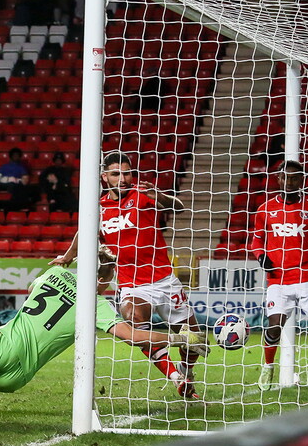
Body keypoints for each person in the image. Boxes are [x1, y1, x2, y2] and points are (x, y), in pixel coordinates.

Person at [0, 252, 209, 424]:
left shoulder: (52, 275)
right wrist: (178, 337)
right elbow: (132, 336)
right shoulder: (97, 303)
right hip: (18, 376)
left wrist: (71, 254)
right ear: (107, 280)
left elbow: (58, 265)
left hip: (2, 346)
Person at [55, 151, 200, 399]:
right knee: (133, 318)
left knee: (194, 339)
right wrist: (67, 257)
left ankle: (186, 371)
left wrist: (159, 195)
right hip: (132, 284)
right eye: (115, 174)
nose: (122, 179)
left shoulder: (141, 196)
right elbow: (84, 233)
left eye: (126, 173)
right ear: (104, 177)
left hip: (165, 279)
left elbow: (178, 206)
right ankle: (175, 377)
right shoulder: (98, 207)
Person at [251, 160, 308, 393]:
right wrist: (261, 257)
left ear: (302, 180)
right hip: (278, 280)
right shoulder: (265, 210)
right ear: (278, 179)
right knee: (274, 327)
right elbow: (256, 240)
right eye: (285, 177)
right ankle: (268, 367)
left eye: (294, 178)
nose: (289, 182)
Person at [0, 147, 32, 212]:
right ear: (11, 156)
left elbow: (24, 180)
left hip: (14, 185)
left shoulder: (22, 168)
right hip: (3, 184)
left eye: (17, 155)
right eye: (14, 155)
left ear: (19, 157)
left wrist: (16, 180)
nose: (16, 157)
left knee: (14, 186)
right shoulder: (4, 167)